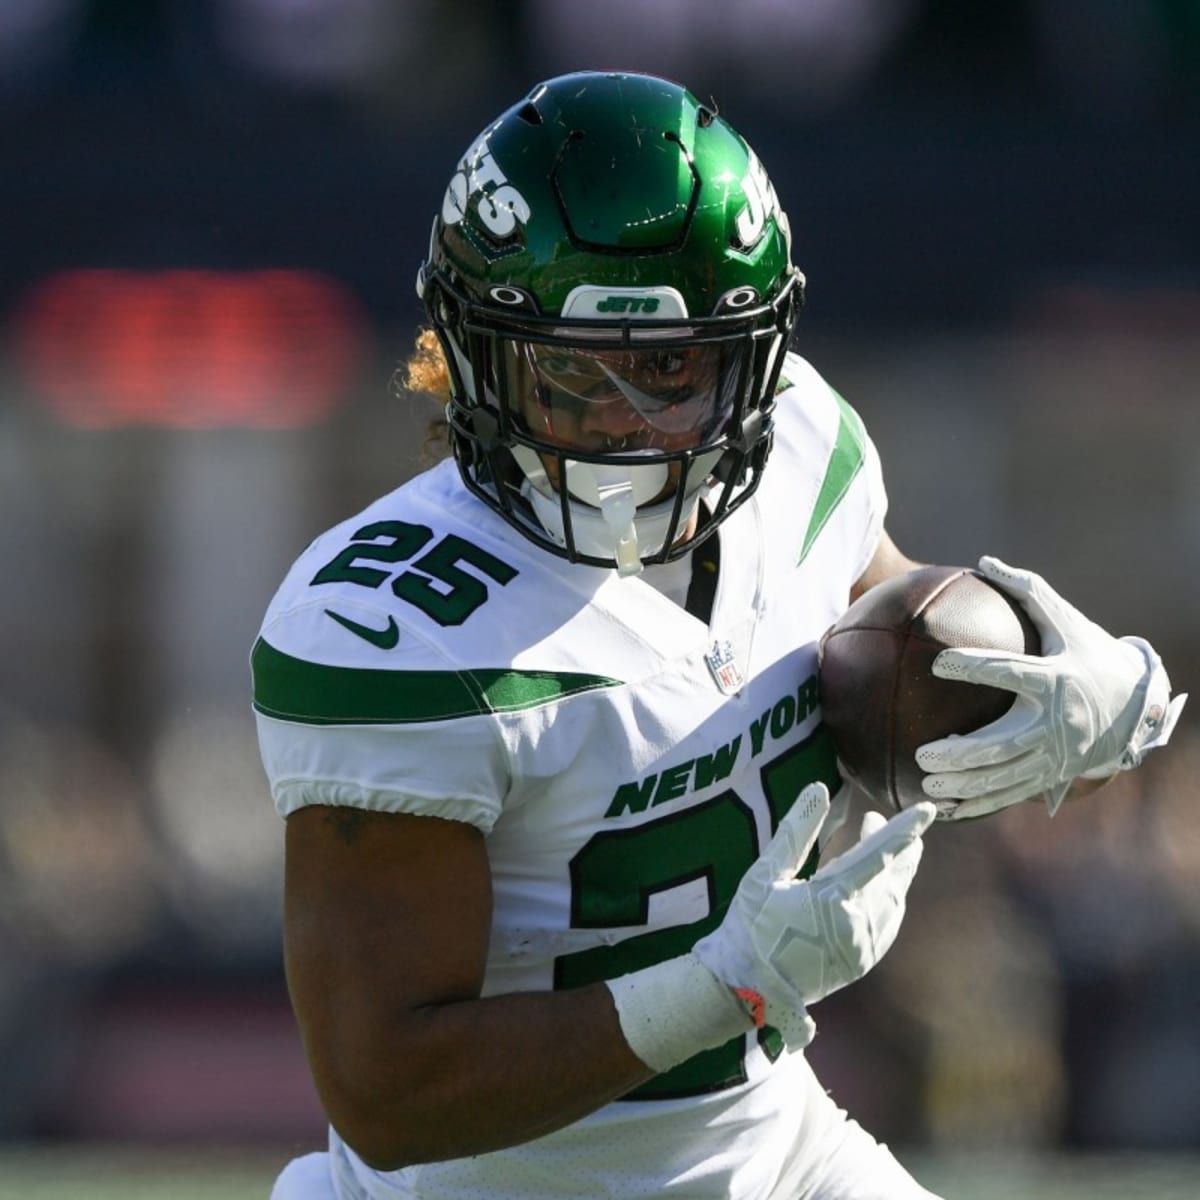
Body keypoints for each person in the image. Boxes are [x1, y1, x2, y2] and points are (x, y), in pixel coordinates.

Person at [252, 71, 1186, 1200]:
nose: (624, 429)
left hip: (774, 1144)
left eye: (668, 368)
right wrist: (720, 987)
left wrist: (1075, 700)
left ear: (752, 353)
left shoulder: (798, 446)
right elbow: (390, 1093)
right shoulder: (393, 628)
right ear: (471, 356)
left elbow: (918, 698)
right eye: (567, 372)